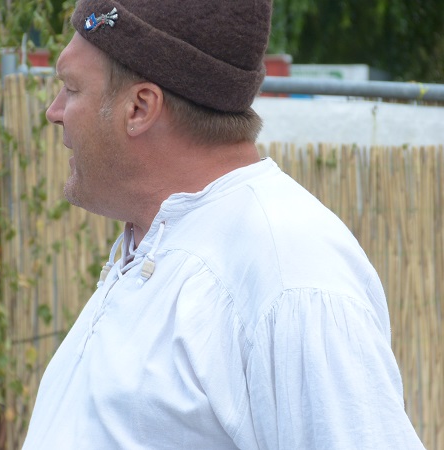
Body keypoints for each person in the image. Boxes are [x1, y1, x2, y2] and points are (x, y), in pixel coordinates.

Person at [22, 0, 426, 448]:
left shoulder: (290, 275)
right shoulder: (162, 240)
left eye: (72, 89)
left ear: (139, 107)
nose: (54, 111)